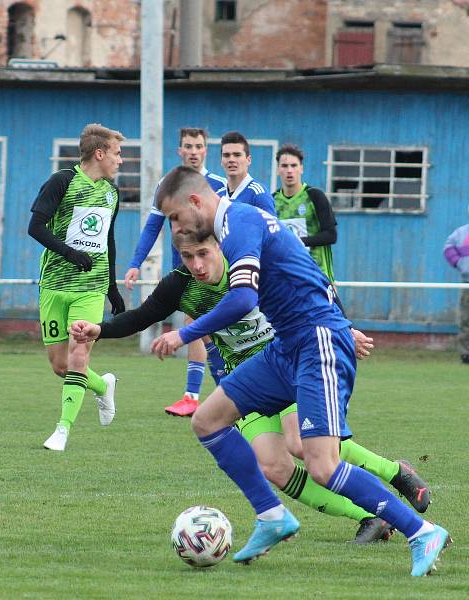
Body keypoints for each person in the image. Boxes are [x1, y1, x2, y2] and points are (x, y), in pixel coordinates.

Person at [149, 166, 449, 576]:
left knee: (321, 464)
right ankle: (272, 516)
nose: (174, 226)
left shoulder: (238, 223)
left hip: (317, 341)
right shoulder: (236, 224)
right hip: (287, 345)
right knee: (208, 419)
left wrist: (183, 336)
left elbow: (241, 300)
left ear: (195, 202)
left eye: (174, 217)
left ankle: (421, 531)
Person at [71, 233, 431, 543]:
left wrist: (342, 329)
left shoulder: (249, 268)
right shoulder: (179, 285)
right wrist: (99, 329)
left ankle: (394, 472)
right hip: (244, 380)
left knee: (301, 444)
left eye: (203, 254)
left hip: (289, 361)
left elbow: (314, 285)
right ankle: (369, 517)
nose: (197, 264)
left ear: (220, 247)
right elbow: (140, 316)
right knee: (274, 466)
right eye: (187, 256)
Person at [27, 123, 126, 451]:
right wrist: (70, 253)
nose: (120, 160)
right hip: (54, 285)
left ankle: (62, 430)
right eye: (117, 153)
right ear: (100, 153)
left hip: (91, 288)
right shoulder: (62, 182)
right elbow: (35, 227)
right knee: (61, 365)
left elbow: (108, 241)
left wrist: (111, 288)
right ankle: (102, 386)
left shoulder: (112, 193)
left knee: (79, 353)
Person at [123, 127, 228, 417]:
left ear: (206, 150)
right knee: (200, 331)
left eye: (198, 146)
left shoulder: (218, 185)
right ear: (179, 151)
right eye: (188, 146)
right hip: (185, 272)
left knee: (212, 333)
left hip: (216, 273)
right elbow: (152, 227)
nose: (193, 151)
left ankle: (223, 393)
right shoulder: (167, 186)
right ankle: (199, 395)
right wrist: (135, 263)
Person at [273, 144, 337, 282]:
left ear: (301, 168)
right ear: (278, 170)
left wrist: (297, 242)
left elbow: (331, 235)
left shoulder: (315, 196)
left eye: (294, 165)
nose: (289, 170)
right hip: (286, 278)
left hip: (317, 276)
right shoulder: (272, 201)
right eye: (284, 166)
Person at [219, 131, 276, 215]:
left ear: (248, 160)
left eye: (237, 155)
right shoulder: (218, 196)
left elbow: (272, 228)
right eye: (226, 155)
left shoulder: (259, 194)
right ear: (221, 161)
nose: (231, 160)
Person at [443, 217, 469, 364]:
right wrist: (459, 263)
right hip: (467, 283)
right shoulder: (461, 233)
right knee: (466, 320)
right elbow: (448, 247)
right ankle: (466, 355)